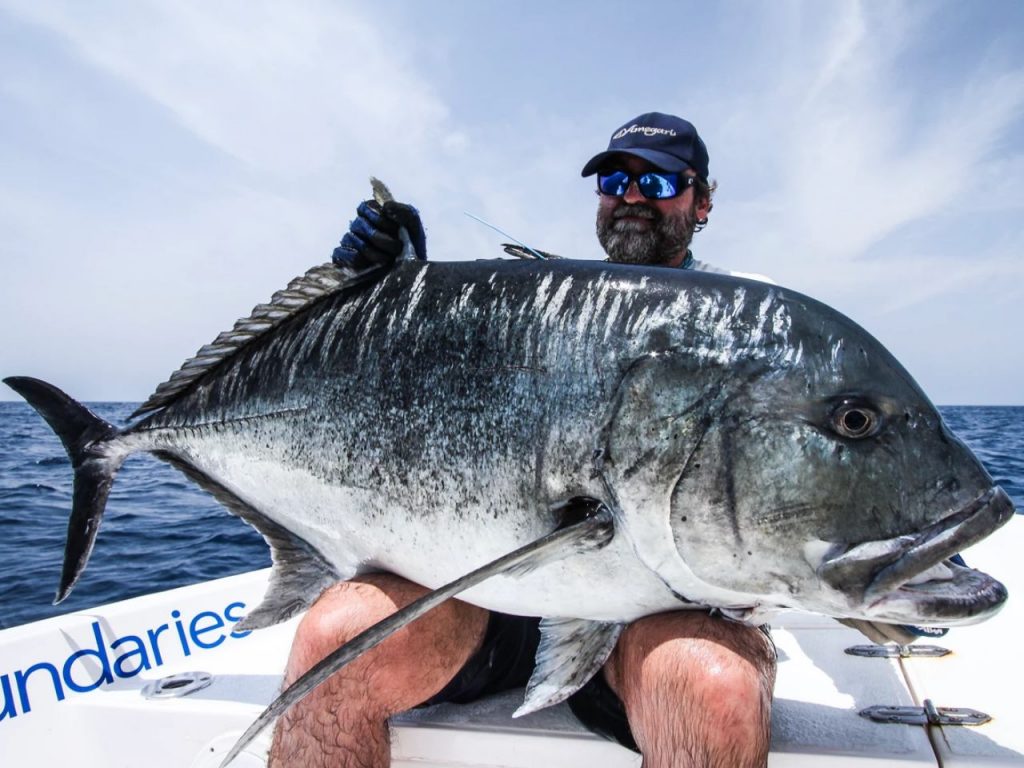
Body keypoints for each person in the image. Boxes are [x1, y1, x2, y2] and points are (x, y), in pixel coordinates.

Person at [268, 113, 778, 768]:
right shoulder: (545, 308)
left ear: (702, 200)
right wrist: (389, 293)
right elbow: (423, 402)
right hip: (492, 597)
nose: (631, 196)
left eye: (658, 181)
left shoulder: (748, 321)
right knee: (334, 641)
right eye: (615, 179)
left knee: (714, 689)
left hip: (652, 611)